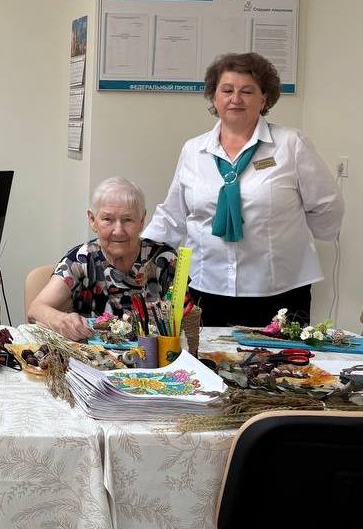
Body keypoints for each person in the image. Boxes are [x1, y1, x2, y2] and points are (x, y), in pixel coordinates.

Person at [143, 53, 343, 327]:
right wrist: (139, 254)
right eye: (227, 90)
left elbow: (327, 206)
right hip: (205, 284)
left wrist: (289, 238)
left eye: (247, 91)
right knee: (205, 354)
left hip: (278, 288)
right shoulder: (193, 150)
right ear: (214, 98)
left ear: (264, 99)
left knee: (279, 356)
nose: (235, 99)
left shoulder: (290, 145)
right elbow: (173, 215)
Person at [28, 178, 176, 341]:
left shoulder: (164, 259)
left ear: (141, 221)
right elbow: (35, 309)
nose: (118, 231)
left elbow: (188, 317)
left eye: (128, 220)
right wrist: (61, 319)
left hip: (153, 354)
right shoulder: (81, 260)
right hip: (92, 353)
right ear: (93, 220)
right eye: (108, 219)